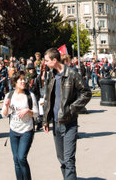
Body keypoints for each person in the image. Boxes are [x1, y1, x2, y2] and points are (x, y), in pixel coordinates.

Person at [43, 48, 91, 180]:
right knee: (62, 159)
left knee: (69, 160)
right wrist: (45, 120)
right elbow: (48, 98)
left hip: (69, 122)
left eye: (47, 60)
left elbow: (86, 92)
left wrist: (72, 109)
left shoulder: (72, 74)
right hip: (56, 123)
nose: (45, 63)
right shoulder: (51, 75)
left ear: (54, 60)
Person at [2, 71, 38, 180]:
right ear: (15, 82)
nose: (23, 81)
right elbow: (4, 115)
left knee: (22, 158)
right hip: (14, 130)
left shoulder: (30, 95)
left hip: (26, 130)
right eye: (20, 80)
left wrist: (28, 111)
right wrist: (6, 106)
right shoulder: (9, 95)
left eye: (24, 79)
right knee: (16, 159)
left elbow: (36, 113)